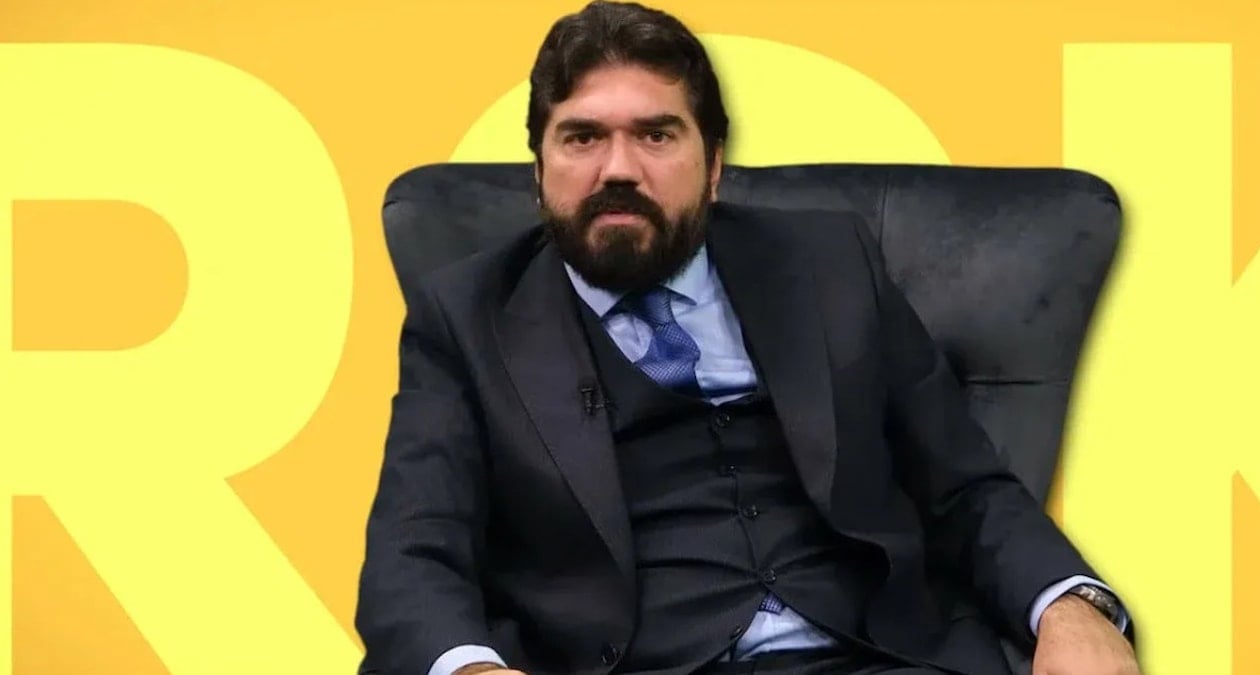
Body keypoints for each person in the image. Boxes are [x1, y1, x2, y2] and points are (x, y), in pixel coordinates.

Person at [355, 2, 1140, 674]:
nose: (618, 169)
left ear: (714, 166)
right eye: (582, 137)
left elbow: (964, 486)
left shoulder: (830, 264)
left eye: (657, 135)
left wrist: (1072, 606)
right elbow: (412, 553)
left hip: (876, 657)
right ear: (539, 170)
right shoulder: (465, 318)